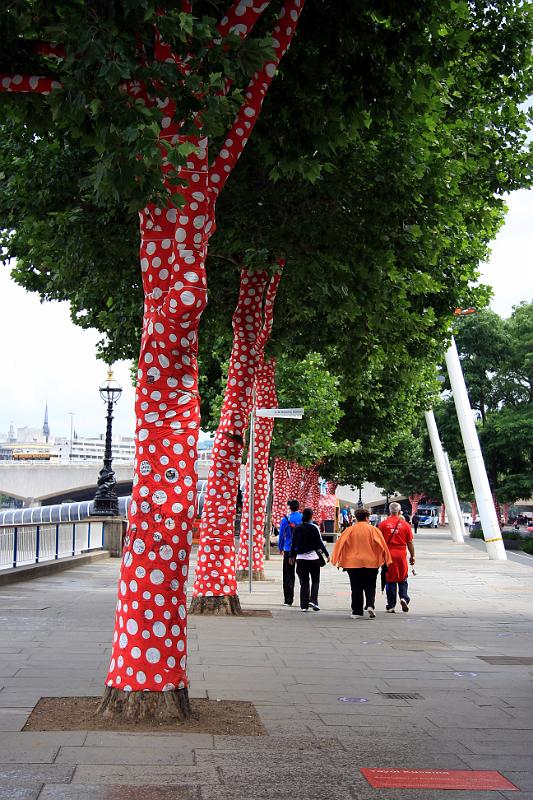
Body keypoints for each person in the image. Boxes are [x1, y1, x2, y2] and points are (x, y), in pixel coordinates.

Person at [331, 507, 392, 619]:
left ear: (356, 518)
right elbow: (383, 546)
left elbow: (339, 545)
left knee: (355, 587)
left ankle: (357, 611)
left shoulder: (349, 530)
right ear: (367, 517)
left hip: (353, 563)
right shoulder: (374, 530)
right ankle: (370, 605)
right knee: (370, 585)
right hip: (371, 562)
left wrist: (335, 560)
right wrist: (387, 559)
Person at [290, 507, 330, 611]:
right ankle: (313, 601)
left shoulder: (297, 528)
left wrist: (291, 556)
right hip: (313, 558)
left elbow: (293, 544)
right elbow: (319, 543)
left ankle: (304, 606)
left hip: (301, 559)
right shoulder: (314, 527)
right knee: (315, 580)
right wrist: (327, 554)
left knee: (304, 582)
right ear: (311, 516)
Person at [378, 501, 415, 613]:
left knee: (390, 579)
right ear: (399, 511)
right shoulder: (405, 525)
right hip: (401, 553)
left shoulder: (383, 524)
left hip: (388, 554)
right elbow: (410, 542)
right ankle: (403, 597)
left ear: (390, 511)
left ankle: (391, 605)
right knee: (402, 577)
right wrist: (412, 556)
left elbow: (379, 542)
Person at [278, 499, 302, 606]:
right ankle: (306, 599)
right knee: (303, 575)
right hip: (301, 551)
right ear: (298, 507)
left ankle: (288, 600)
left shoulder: (285, 520)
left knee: (288, 575)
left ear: (290, 508)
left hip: (288, 549)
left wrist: (280, 547)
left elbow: (281, 536)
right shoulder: (303, 518)